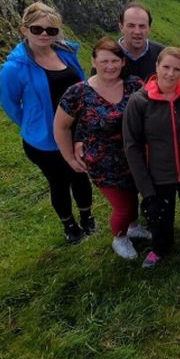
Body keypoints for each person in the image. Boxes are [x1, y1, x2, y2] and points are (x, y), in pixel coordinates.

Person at [0, 1, 93, 244]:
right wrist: (32, 126)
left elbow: (81, 87)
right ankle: (70, 226)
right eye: (37, 29)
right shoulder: (14, 68)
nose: (44, 35)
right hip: (44, 141)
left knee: (80, 175)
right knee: (59, 183)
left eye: (51, 30)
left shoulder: (66, 53)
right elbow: (10, 104)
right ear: (24, 30)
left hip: (76, 132)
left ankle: (87, 217)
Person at [54, 38, 151, 260]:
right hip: (103, 162)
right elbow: (61, 127)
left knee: (133, 196)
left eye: (115, 61)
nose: (110, 66)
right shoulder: (77, 93)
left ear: (123, 62)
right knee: (123, 206)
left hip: (136, 157)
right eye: (104, 61)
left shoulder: (135, 85)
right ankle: (120, 238)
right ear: (93, 61)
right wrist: (69, 158)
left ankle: (133, 227)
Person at [123, 47, 180, 269]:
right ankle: (159, 247)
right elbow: (131, 145)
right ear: (156, 67)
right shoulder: (139, 101)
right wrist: (145, 185)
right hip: (158, 171)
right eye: (166, 67)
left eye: (177, 69)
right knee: (160, 213)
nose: (171, 74)